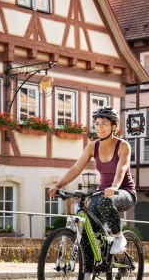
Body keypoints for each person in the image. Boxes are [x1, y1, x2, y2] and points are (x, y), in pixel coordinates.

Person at [49, 106, 136, 264]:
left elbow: (122, 168)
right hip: (102, 193)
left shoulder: (123, 146)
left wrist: (114, 187)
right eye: (97, 124)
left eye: (104, 123)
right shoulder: (92, 146)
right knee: (87, 231)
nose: (99, 127)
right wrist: (58, 186)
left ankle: (118, 236)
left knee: (105, 201)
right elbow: (76, 169)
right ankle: (90, 271)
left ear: (114, 126)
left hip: (124, 192)